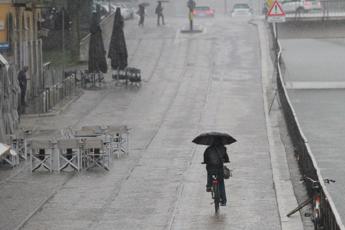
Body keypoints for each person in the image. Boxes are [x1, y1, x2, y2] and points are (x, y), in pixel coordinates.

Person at [203, 138, 230, 206]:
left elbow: (205, 158)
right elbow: (226, 158)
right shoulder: (223, 149)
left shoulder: (208, 149)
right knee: (221, 183)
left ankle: (209, 186)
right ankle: (223, 201)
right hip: (219, 169)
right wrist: (226, 160)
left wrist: (206, 161)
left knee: (209, 172)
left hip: (211, 169)